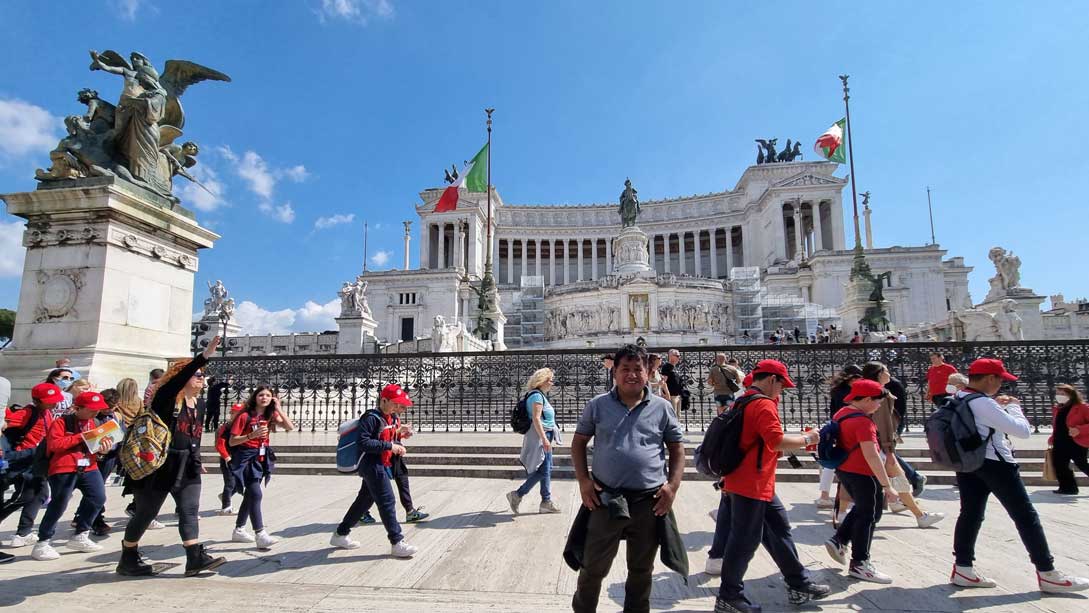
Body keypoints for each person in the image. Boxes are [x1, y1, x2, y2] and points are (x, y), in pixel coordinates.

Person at [949, 358, 1088, 593]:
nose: (1001, 385)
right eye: (1000, 380)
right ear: (990, 378)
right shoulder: (983, 402)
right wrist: (1013, 406)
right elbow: (1022, 431)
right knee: (1026, 516)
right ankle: (1047, 572)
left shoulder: (959, 398)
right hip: (996, 463)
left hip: (969, 462)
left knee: (970, 514)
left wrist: (997, 407)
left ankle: (963, 567)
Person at [567, 344, 687, 613]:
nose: (631, 374)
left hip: (650, 500)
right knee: (593, 565)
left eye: (637, 369)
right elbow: (578, 443)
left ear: (648, 372)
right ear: (615, 372)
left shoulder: (662, 407)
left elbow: (677, 449)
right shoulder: (597, 405)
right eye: (625, 369)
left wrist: (673, 486)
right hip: (606, 498)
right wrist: (584, 481)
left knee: (642, 569)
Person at [714, 360, 830, 612]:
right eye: (782, 385)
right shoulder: (763, 404)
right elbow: (776, 441)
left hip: (755, 479)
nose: (782, 390)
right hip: (750, 482)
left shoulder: (743, 400)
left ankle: (798, 582)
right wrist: (807, 438)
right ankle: (728, 596)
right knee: (744, 540)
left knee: (779, 530)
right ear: (771, 380)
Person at [116, 337, 227, 577]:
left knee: (189, 509)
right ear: (182, 377)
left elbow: (194, 435)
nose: (202, 378)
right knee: (146, 513)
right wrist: (203, 355)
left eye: (202, 375)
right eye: (197, 374)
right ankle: (128, 554)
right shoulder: (165, 398)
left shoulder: (199, 403)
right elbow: (178, 380)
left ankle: (194, 557)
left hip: (186, 464)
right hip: (159, 466)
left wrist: (197, 461)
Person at [824, 379, 901, 584]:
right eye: (877, 401)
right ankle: (860, 563)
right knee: (869, 515)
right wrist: (887, 485)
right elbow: (872, 455)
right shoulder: (863, 422)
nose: (878, 406)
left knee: (863, 511)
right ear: (867, 399)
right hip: (864, 473)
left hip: (846, 470)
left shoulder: (842, 413)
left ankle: (840, 540)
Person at [329, 383, 418, 558]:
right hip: (371, 464)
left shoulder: (392, 418)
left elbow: (387, 435)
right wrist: (390, 446)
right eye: (395, 404)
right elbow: (364, 443)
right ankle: (397, 541)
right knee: (387, 501)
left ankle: (340, 534)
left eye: (401, 405)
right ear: (383, 400)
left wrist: (400, 434)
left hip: (382, 464)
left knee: (363, 502)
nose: (399, 408)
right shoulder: (370, 418)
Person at [31, 391, 113, 560]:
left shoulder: (95, 422)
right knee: (59, 504)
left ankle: (81, 534)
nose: (95, 412)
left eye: (97, 409)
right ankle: (43, 542)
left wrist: (103, 450)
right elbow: (55, 445)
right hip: (64, 467)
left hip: (89, 466)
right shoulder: (61, 422)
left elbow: (95, 448)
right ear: (78, 407)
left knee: (98, 498)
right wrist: (81, 437)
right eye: (91, 409)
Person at [861, 361, 943, 528]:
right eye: (886, 371)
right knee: (900, 480)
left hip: (870, 443)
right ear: (878, 374)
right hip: (880, 445)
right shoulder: (879, 394)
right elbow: (884, 424)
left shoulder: (866, 391)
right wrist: (889, 450)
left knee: (884, 481)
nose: (889, 374)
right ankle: (920, 516)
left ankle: (842, 515)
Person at [227, 386, 294, 549]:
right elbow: (232, 441)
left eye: (268, 395)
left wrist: (278, 408)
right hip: (246, 457)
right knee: (255, 494)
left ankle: (239, 529)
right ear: (255, 397)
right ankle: (260, 533)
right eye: (261, 395)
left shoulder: (268, 415)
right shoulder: (244, 416)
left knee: (250, 495)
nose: (264, 398)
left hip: (261, 457)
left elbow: (289, 427)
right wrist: (251, 436)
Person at [1, 383, 62, 549]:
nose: (55, 403)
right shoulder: (27, 412)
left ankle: (23, 533)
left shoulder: (47, 413)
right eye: (50, 401)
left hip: (37, 461)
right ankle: (21, 532)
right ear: (38, 401)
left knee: (39, 495)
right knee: (23, 497)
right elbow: (5, 425)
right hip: (23, 461)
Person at [358, 395, 429, 525]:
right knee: (368, 490)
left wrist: (402, 434)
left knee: (402, 479)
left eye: (403, 407)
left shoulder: (394, 417)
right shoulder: (374, 418)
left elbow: (391, 435)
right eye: (401, 406)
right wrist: (396, 437)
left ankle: (410, 511)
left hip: (393, 455)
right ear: (387, 401)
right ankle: (360, 514)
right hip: (379, 458)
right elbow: (376, 438)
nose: (402, 409)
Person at [508, 368, 563, 514]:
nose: (552, 383)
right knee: (543, 470)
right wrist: (545, 439)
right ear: (543, 380)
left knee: (546, 469)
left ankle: (546, 501)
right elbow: (536, 419)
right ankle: (518, 494)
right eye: (550, 379)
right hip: (540, 436)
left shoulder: (540, 396)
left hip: (544, 435)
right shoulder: (537, 397)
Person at [73, 388, 123, 536]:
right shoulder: (92, 418)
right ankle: (92, 519)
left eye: (111, 408)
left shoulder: (117, 416)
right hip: (93, 457)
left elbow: (122, 432)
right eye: (106, 407)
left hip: (110, 456)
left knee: (97, 490)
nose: (108, 410)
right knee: (94, 491)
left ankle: (87, 517)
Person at [816, 365, 862, 510]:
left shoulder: (836, 390)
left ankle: (824, 495)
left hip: (837, 426)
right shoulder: (853, 392)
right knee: (835, 464)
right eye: (858, 377)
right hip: (848, 428)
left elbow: (833, 411)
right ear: (852, 378)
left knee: (830, 463)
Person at [1048, 384, 1089, 495]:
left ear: (1071, 395)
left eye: (1063, 394)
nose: (1059, 396)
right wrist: (1052, 437)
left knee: (1081, 463)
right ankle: (1068, 487)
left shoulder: (1082, 407)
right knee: (1059, 464)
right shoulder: (1058, 408)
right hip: (1059, 441)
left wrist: (1079, 429)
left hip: (1076, 441)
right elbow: (1058, 425)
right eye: (1058, 393)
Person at [215, 402, 244, 515]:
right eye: (234, 413)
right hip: (229, 459)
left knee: (240, 482)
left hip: (240, 459)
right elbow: (220, 445)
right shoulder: (226, 428)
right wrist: (227, 458)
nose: (237, 416)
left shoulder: (244, 426)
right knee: (230, 482)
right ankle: (226, 507)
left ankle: (225, 496)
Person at [661, 348, 685, 413]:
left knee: (678, 416)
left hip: (678, 396)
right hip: (671, 396)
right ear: (671, 356)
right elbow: (663, 381)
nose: (679, 357)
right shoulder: (667, 367)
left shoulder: (675, 367)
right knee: (673, 415)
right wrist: (664, 393)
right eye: (677, 356)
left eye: (679, 356)